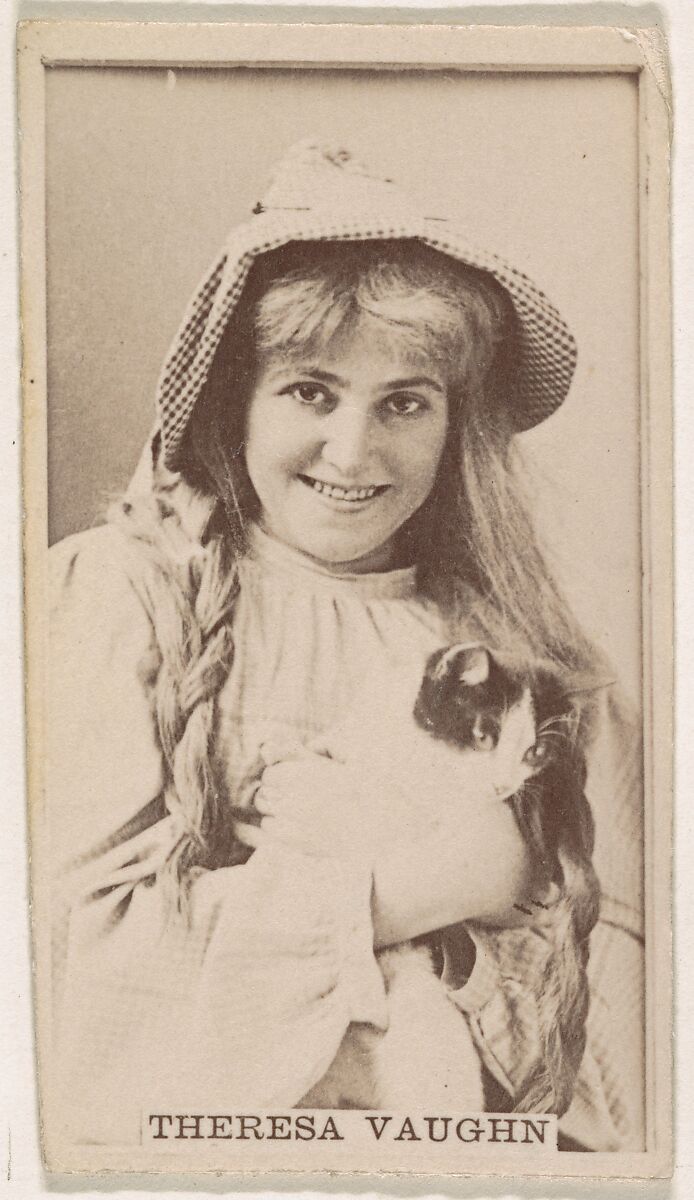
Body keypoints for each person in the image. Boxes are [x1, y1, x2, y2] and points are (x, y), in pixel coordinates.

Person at [47, 141, 644, 1151]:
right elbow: (72, 988)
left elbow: (629, 1066)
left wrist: (461, 970)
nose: (354, 451)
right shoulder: (120, 595)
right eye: (311, 392)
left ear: (455, 428)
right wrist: (415, 894)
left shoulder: (526, 665)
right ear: (236, 403)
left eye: (405, 402)